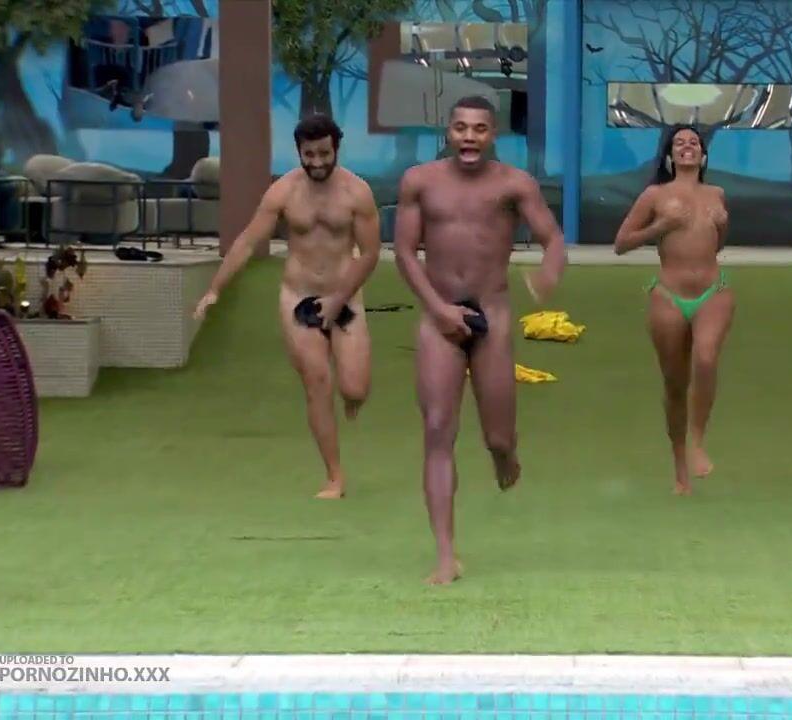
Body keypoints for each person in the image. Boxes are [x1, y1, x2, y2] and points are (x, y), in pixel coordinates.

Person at [393, 94, 567, 585]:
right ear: (448, 132)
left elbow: (553, 237)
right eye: (461, 128)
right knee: (437, 427)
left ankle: (504, 454)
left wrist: (549, 273)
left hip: (493, 315)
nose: (469, 136)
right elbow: (404, 252)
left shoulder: (515, 184)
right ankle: (446, 555)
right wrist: (438, 308)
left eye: (479, 128)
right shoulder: (420, 181)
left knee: (497, 436)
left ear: (494, 134)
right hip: (439, 317)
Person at [194, 113, 381, 500]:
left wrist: (338, 300)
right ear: (299, 152)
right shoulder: (283, 192)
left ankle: (353, 399)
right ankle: (334, 477)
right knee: (316, 380)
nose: (317, 162)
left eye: (324, 153)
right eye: (309, 154)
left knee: (354, 387)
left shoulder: (357, 193)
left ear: (336, 149)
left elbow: (369, 255)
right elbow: (248, 242)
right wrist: (215, 289)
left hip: (344, 294)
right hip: (299, 296)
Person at [612, 124, 733, 496]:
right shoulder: (655, 195)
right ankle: (681, 470)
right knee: (675, 383)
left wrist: (722, 226)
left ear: (703, 154)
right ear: (669, 155)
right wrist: (661, 226)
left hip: (712, 290)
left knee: (707, 357)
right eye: (679, 143)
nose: (687, 147)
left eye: (693, 142)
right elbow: (621, 243)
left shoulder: (716, 194)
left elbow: (716, 245)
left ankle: (697, 440)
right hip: (668, 294)